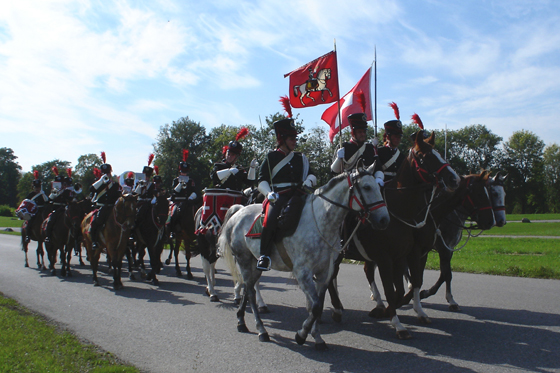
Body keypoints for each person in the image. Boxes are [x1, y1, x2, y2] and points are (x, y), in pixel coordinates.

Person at [256, 117, 317, 271]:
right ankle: (264, 255)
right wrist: (268, 193)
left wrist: (309, 181)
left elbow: (312, 174)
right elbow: (261, 180)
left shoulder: (300, 158)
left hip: (299, 194)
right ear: (282, 139)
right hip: (278, 196)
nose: (294, 142)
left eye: (295, 138)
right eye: (291, 139)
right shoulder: (271, 157)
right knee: (270, 219)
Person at [330, 112, 384, 184]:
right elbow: (334, 171)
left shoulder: (370, 148)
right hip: (348, 185)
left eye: (364, 132)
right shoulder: (343, 147)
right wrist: (338, 159)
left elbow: (378, 168)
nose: (363, 134)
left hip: (366, 185)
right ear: (353, 133)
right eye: (360, 132)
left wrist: (379, 178)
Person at [89, 152, 122, 250]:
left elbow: (118, 195)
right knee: (94, 222)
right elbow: (91, 190)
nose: (106, 175)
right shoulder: (98, 184)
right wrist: (101, 180)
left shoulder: (115, 185)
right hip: (100, 207)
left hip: (112, 207)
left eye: (108, 173)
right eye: (104, 173)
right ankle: (94, 241)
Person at [169, 150, 198, 237]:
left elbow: (194, 191)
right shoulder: (176, 180)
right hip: (178, 201)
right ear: (180, 171)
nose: (184, 173)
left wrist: (190, 198)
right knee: (173, 213)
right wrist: (180, 184)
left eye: (185, 172)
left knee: (196, 212)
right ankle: (172, 231)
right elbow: (174, 192)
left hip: (188, 201)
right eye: (182, 171)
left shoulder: (191, 180)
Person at [377, 102, 406, 183]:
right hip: (383, 183)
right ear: (388, 137)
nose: (398, 139)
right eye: (395, 136)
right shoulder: (379, 151)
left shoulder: (401, 156)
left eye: (399, 137)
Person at [44, 167, 75, 244]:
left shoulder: (67, 191)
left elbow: (71, 200)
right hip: (56, 209)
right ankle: (48, 236)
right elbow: (49, 200)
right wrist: (54, 193)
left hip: (65, 209)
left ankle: (76, 239)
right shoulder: (54, 191)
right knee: (50, 221)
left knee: (75, 221)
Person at [22, 170, 50, 242]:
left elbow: (47, 201)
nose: (37, 188)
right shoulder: (31, 195)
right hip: (33, 211)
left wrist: (43, 193)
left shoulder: (43, 194)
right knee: (30, 220)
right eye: (36, 187)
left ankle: (47, 235)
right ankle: (28, 235)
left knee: (48, 220)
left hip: (42, 210)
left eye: (38, 187)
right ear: (33, 187)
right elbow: (26, 202)